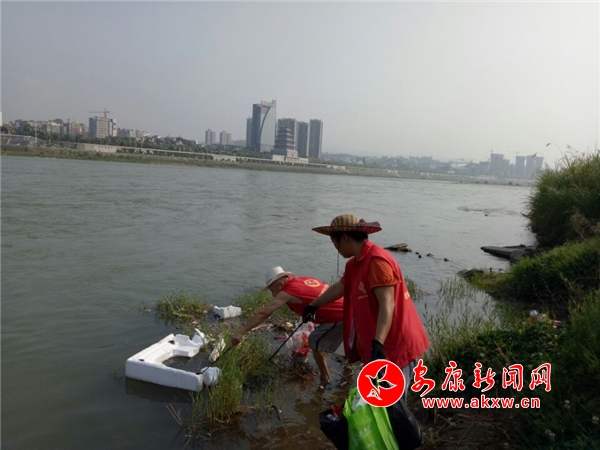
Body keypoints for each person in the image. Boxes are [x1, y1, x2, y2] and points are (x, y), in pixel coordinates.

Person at [303, 214, 430, 401]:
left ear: (345, 238)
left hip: (395, 344)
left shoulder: (376, 261)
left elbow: (387, 304)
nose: (336, 249)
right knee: (379, 402)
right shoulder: (354, 263)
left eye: (335, 243)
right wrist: (313, 305)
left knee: (392, 405)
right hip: (378, 345)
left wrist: (378, 343)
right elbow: (340, 287)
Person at [232, 266, 344, 389]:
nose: (273, 295)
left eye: (272, 290)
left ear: (280, 284)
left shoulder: (288, 291)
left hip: (340, 315)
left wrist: (240, 332)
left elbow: (263, 313)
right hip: (348, 305)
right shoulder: (304, 280)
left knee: (314, 341)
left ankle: (325, 379)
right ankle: (348, 370)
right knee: (350, 346)